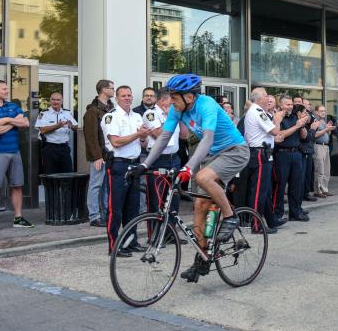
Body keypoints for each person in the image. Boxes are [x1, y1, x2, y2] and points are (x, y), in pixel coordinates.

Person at [128, 74, 250, 281]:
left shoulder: (207, 105)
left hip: (235, 150)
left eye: (174, 97)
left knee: (202, 177)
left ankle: (230, 216)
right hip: (211, 154)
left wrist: (188, 167)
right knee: (200, 207)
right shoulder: (178, 110)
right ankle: (201, 260)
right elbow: (164, 137)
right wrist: (144, 164)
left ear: (190, 97)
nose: (171, 102)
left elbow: (208, 138)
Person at [101, 86, 149, 257]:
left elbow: (142, 144)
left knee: (132, 207)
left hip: (135, 164)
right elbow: (116, 142)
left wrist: (143, 136)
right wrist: (138, 135)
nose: (127, 98)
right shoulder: (110, 117)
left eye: (129, 95)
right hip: (119, 165)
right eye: (123, 96)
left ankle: (130, 242)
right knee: (116, 208)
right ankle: (114, 246)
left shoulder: (136, 116)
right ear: (116, 97)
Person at [0, 80, 33, 234]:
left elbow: (26, 123)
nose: (7, 91)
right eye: (4, 89)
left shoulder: (13, 106)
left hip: (14, 151)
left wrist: (6, 120)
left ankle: (18, 218)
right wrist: (15, 122)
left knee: (17, 185)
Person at [241, 88, 284, 234]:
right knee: (258, 191)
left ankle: (271, 220)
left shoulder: (255, 110)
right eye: (266, 96)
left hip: (261, 152)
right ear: (259, 99)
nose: (268, 98)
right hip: (259, 154)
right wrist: (277, 120)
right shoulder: (258, 111)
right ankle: (256, 225)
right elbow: (274, 131)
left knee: (263, 191)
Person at [141, 88, 183, 226]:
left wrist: (180, 118)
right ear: (164, 100)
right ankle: (155, 235)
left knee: (174, 199)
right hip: (158, 159)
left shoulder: (174, 113)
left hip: (174, 159)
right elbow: (158, 134)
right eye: (173, 100)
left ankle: (170, 233)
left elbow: (184, 135)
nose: (174, 103)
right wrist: (171, 118)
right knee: (156, 199)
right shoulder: (150, 114)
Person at [272, 98, 311, 223]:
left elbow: (304, 136)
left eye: (291, 105)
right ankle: (277, 214)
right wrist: (296, 126)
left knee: (296, 185)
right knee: (280, 185)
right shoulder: (278, 117)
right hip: (282, 154)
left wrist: (302, 126)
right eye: (287, 104)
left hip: (296, 153)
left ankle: (295, 212)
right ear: (281, 105)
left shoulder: (295, 116)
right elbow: (280, 135)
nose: (290, 107)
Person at [83, 79, 115, 227]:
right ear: (103, 90)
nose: (113, 91)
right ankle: (94, 216)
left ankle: (104, 213)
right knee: (96, 185)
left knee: (106, 186)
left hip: (110, 154)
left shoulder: (111, 109)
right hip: (99, 155)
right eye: (111, 88)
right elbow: (91, 136)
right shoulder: (92, 111)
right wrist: (97, 156)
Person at [35, 92, 78, 174]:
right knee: (50, 174)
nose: (55, 102)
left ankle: (66, 187)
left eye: (58, 100)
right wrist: (58, 125)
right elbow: (43, 130)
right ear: (50, 101)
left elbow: (76, 128)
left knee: (67, 174)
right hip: (50, 148)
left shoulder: (67, 113)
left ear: (61, 101)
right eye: (53, 99)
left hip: (64, 148)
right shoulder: (44, 113)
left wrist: (71, 126)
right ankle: (52, 187)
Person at [312, 105, 336, 198]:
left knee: (326, 169)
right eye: (321, 111)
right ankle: (317, 190)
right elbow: (314, 135)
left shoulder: (323, 121)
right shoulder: (315, 121)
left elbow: (325, 134)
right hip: (318, 146)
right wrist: (326, 129)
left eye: (324, 111)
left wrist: (328, 129)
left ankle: (324, 189)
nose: (323, 112)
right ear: (316, 112)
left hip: (325, 146)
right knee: (319, 169)